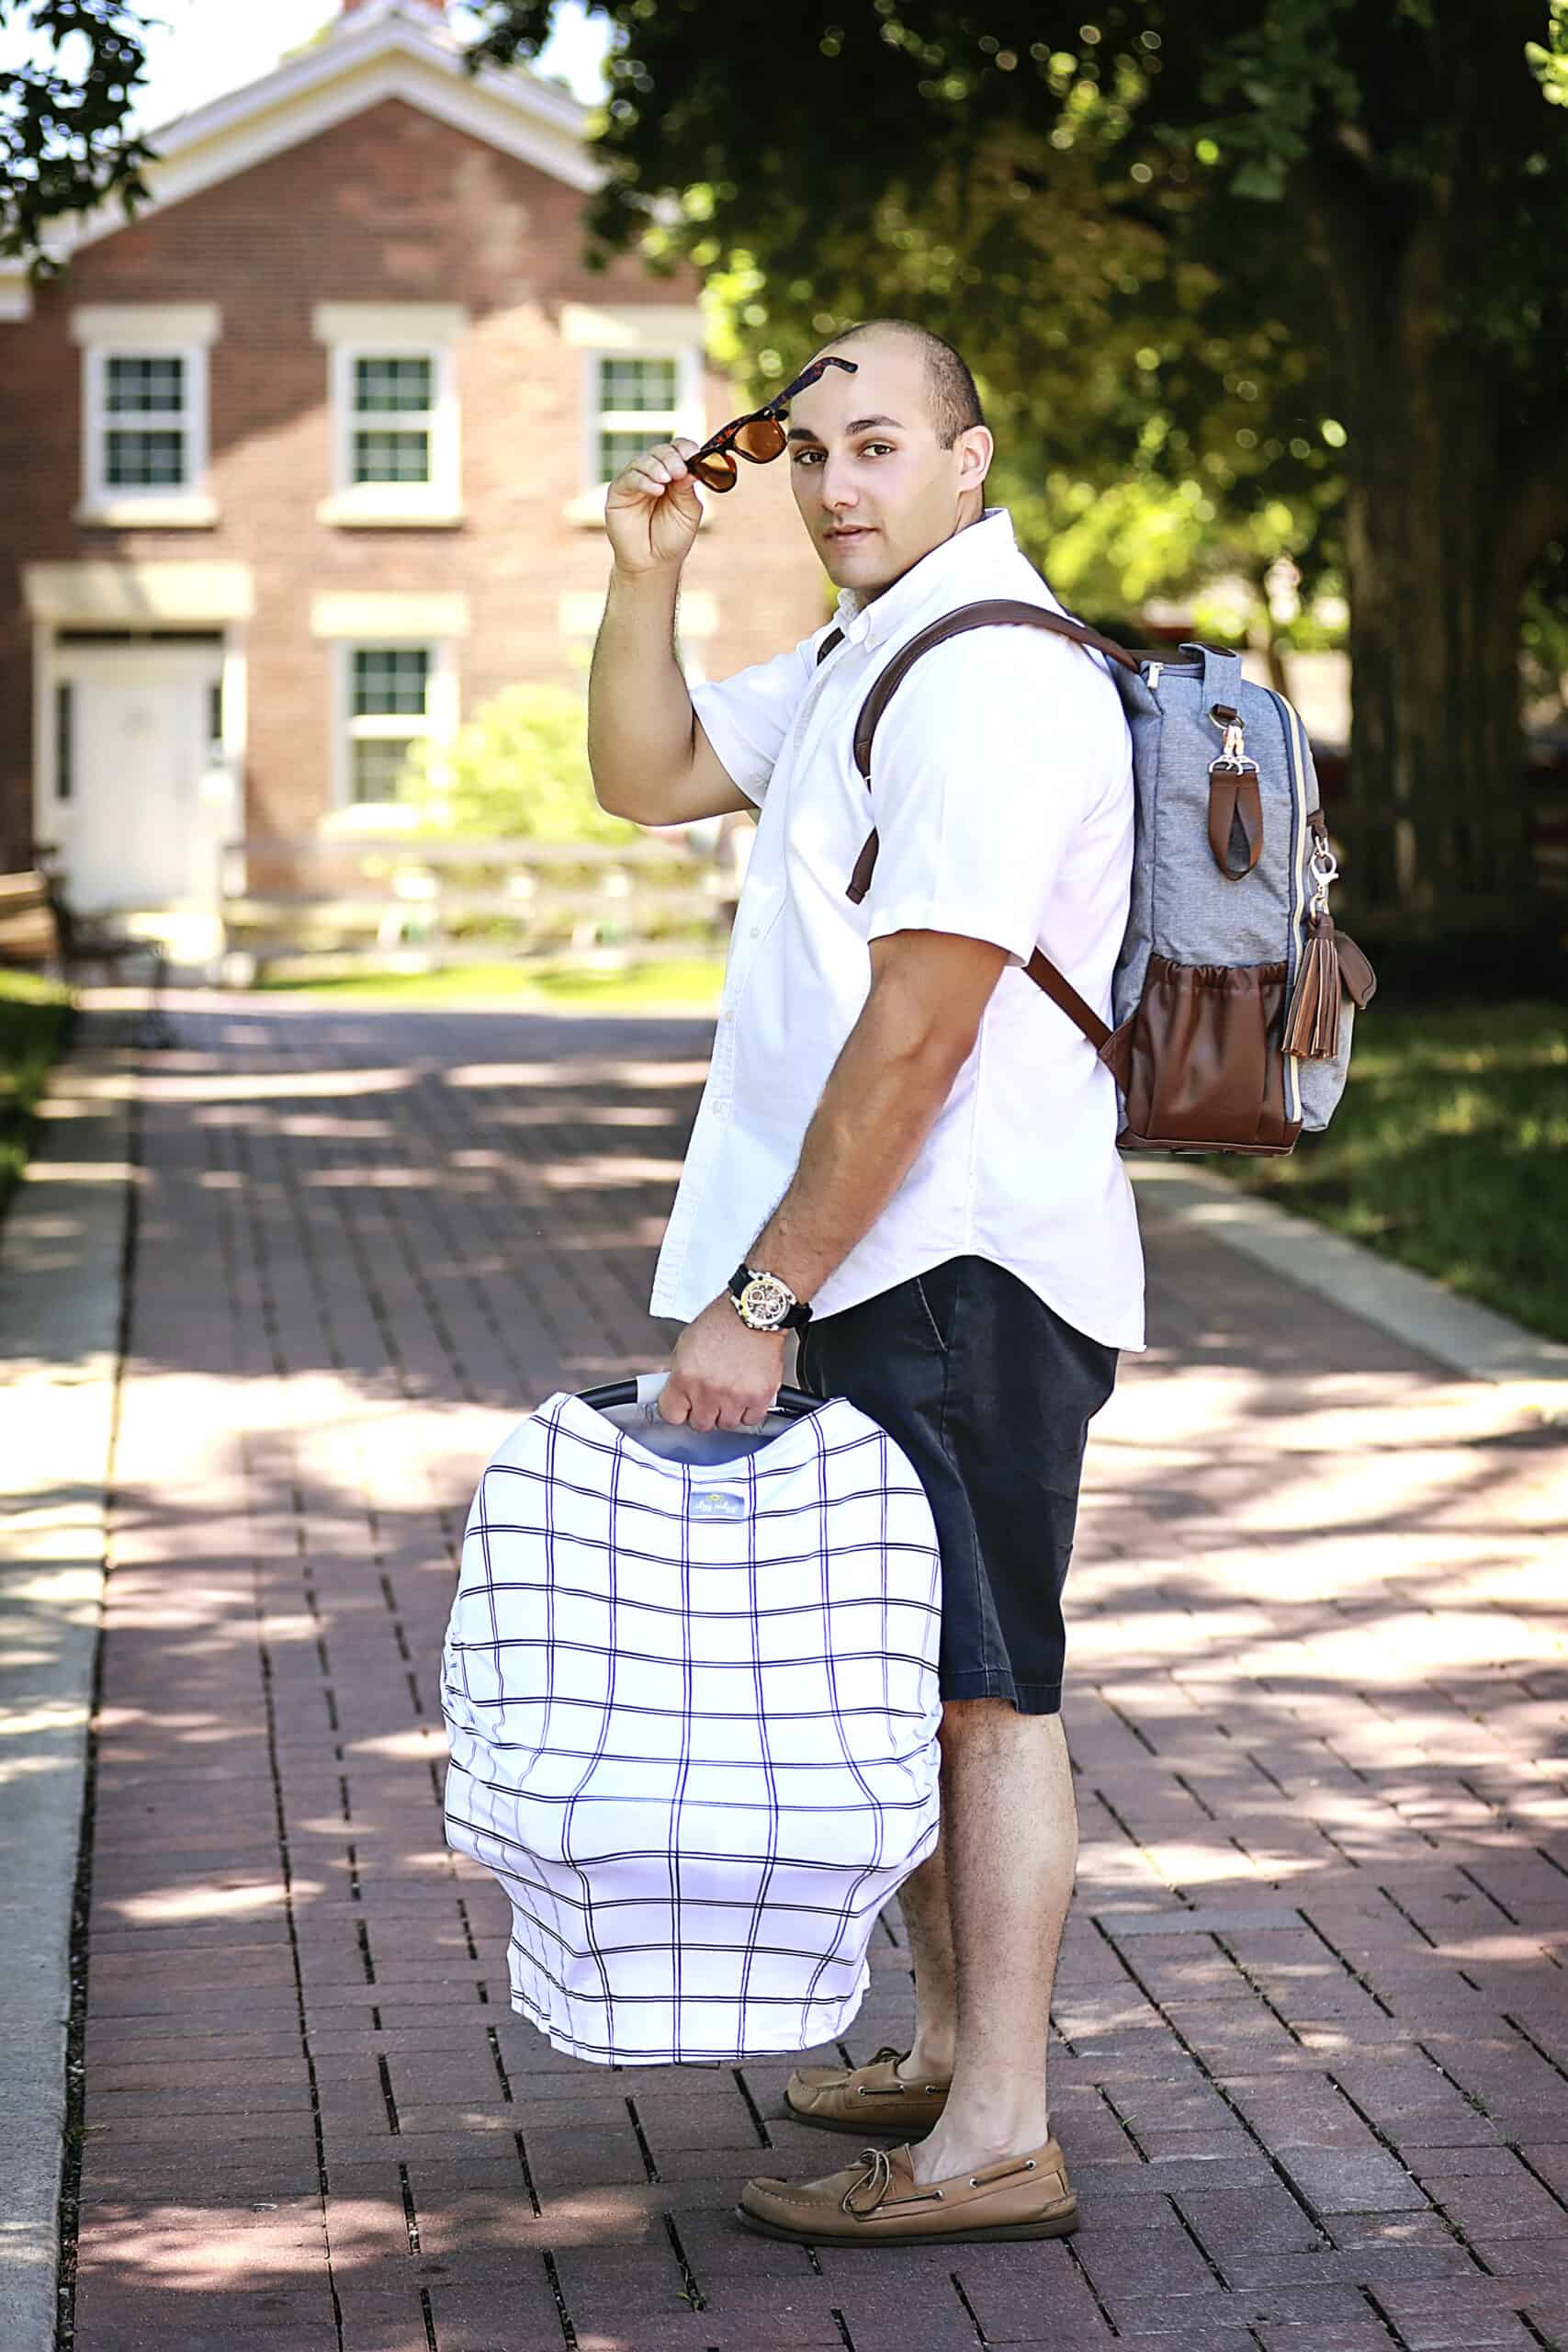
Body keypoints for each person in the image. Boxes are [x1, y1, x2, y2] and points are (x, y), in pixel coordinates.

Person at [585, 319, 1144, 2248]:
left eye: (879, 444)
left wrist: (760, 1290)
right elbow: (643, 772)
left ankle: (996, 2129)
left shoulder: (985, 679)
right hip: (888, 1262)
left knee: (986, 1695)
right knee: (911, 1682)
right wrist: (644, 575)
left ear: (969, 461)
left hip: (955, 1259)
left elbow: (920, 1024)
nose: (833, 481)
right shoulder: (861, 648)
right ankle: (938, 2046)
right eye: (809, 447)